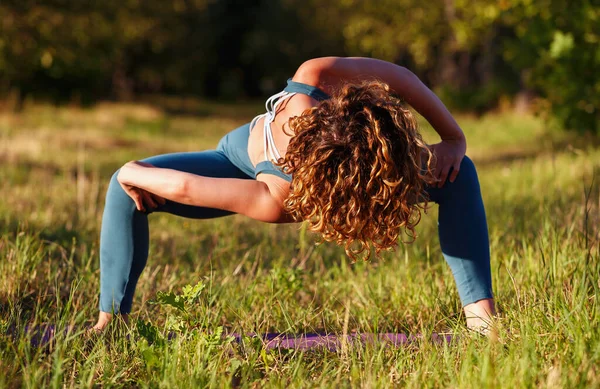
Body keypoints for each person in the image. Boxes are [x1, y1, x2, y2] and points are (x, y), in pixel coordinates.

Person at [92, 57, 496, 332]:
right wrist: (128, 170)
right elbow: (183, 186)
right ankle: (111, 324)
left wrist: (453, 139)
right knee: (126, 188)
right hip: (236, 157)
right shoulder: (282, 197)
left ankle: (481, 319)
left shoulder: (318, 75)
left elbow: (402, 79)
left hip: (335, 156)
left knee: (459, 175)